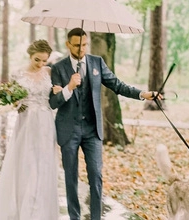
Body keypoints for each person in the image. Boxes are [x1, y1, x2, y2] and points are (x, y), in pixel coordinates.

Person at [49, 28, 163, 220]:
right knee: (71, 178)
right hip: (69, 130)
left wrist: (142, 94)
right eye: (77, 45)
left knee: (96, 175)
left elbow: (117, 85)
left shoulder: (97, 63)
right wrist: (69, 87)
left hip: (93, 130)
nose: (81, 49)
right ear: (68, 44)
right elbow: (53, 102)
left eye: (84, 44)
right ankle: (74, 217)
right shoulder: (58, 68)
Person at [0, 39, 62, 220]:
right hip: (26, 122)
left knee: (44, 163)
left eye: (44, 60)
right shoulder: (17, 74)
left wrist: (57, 90)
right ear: (30, 55)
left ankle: (41, 210)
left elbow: (53, 96)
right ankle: (25, 209)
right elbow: (14, 101)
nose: (41, 64)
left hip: (45, 121)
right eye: (37, 60)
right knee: (26, 163)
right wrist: (15, 101)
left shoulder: (50, 72)